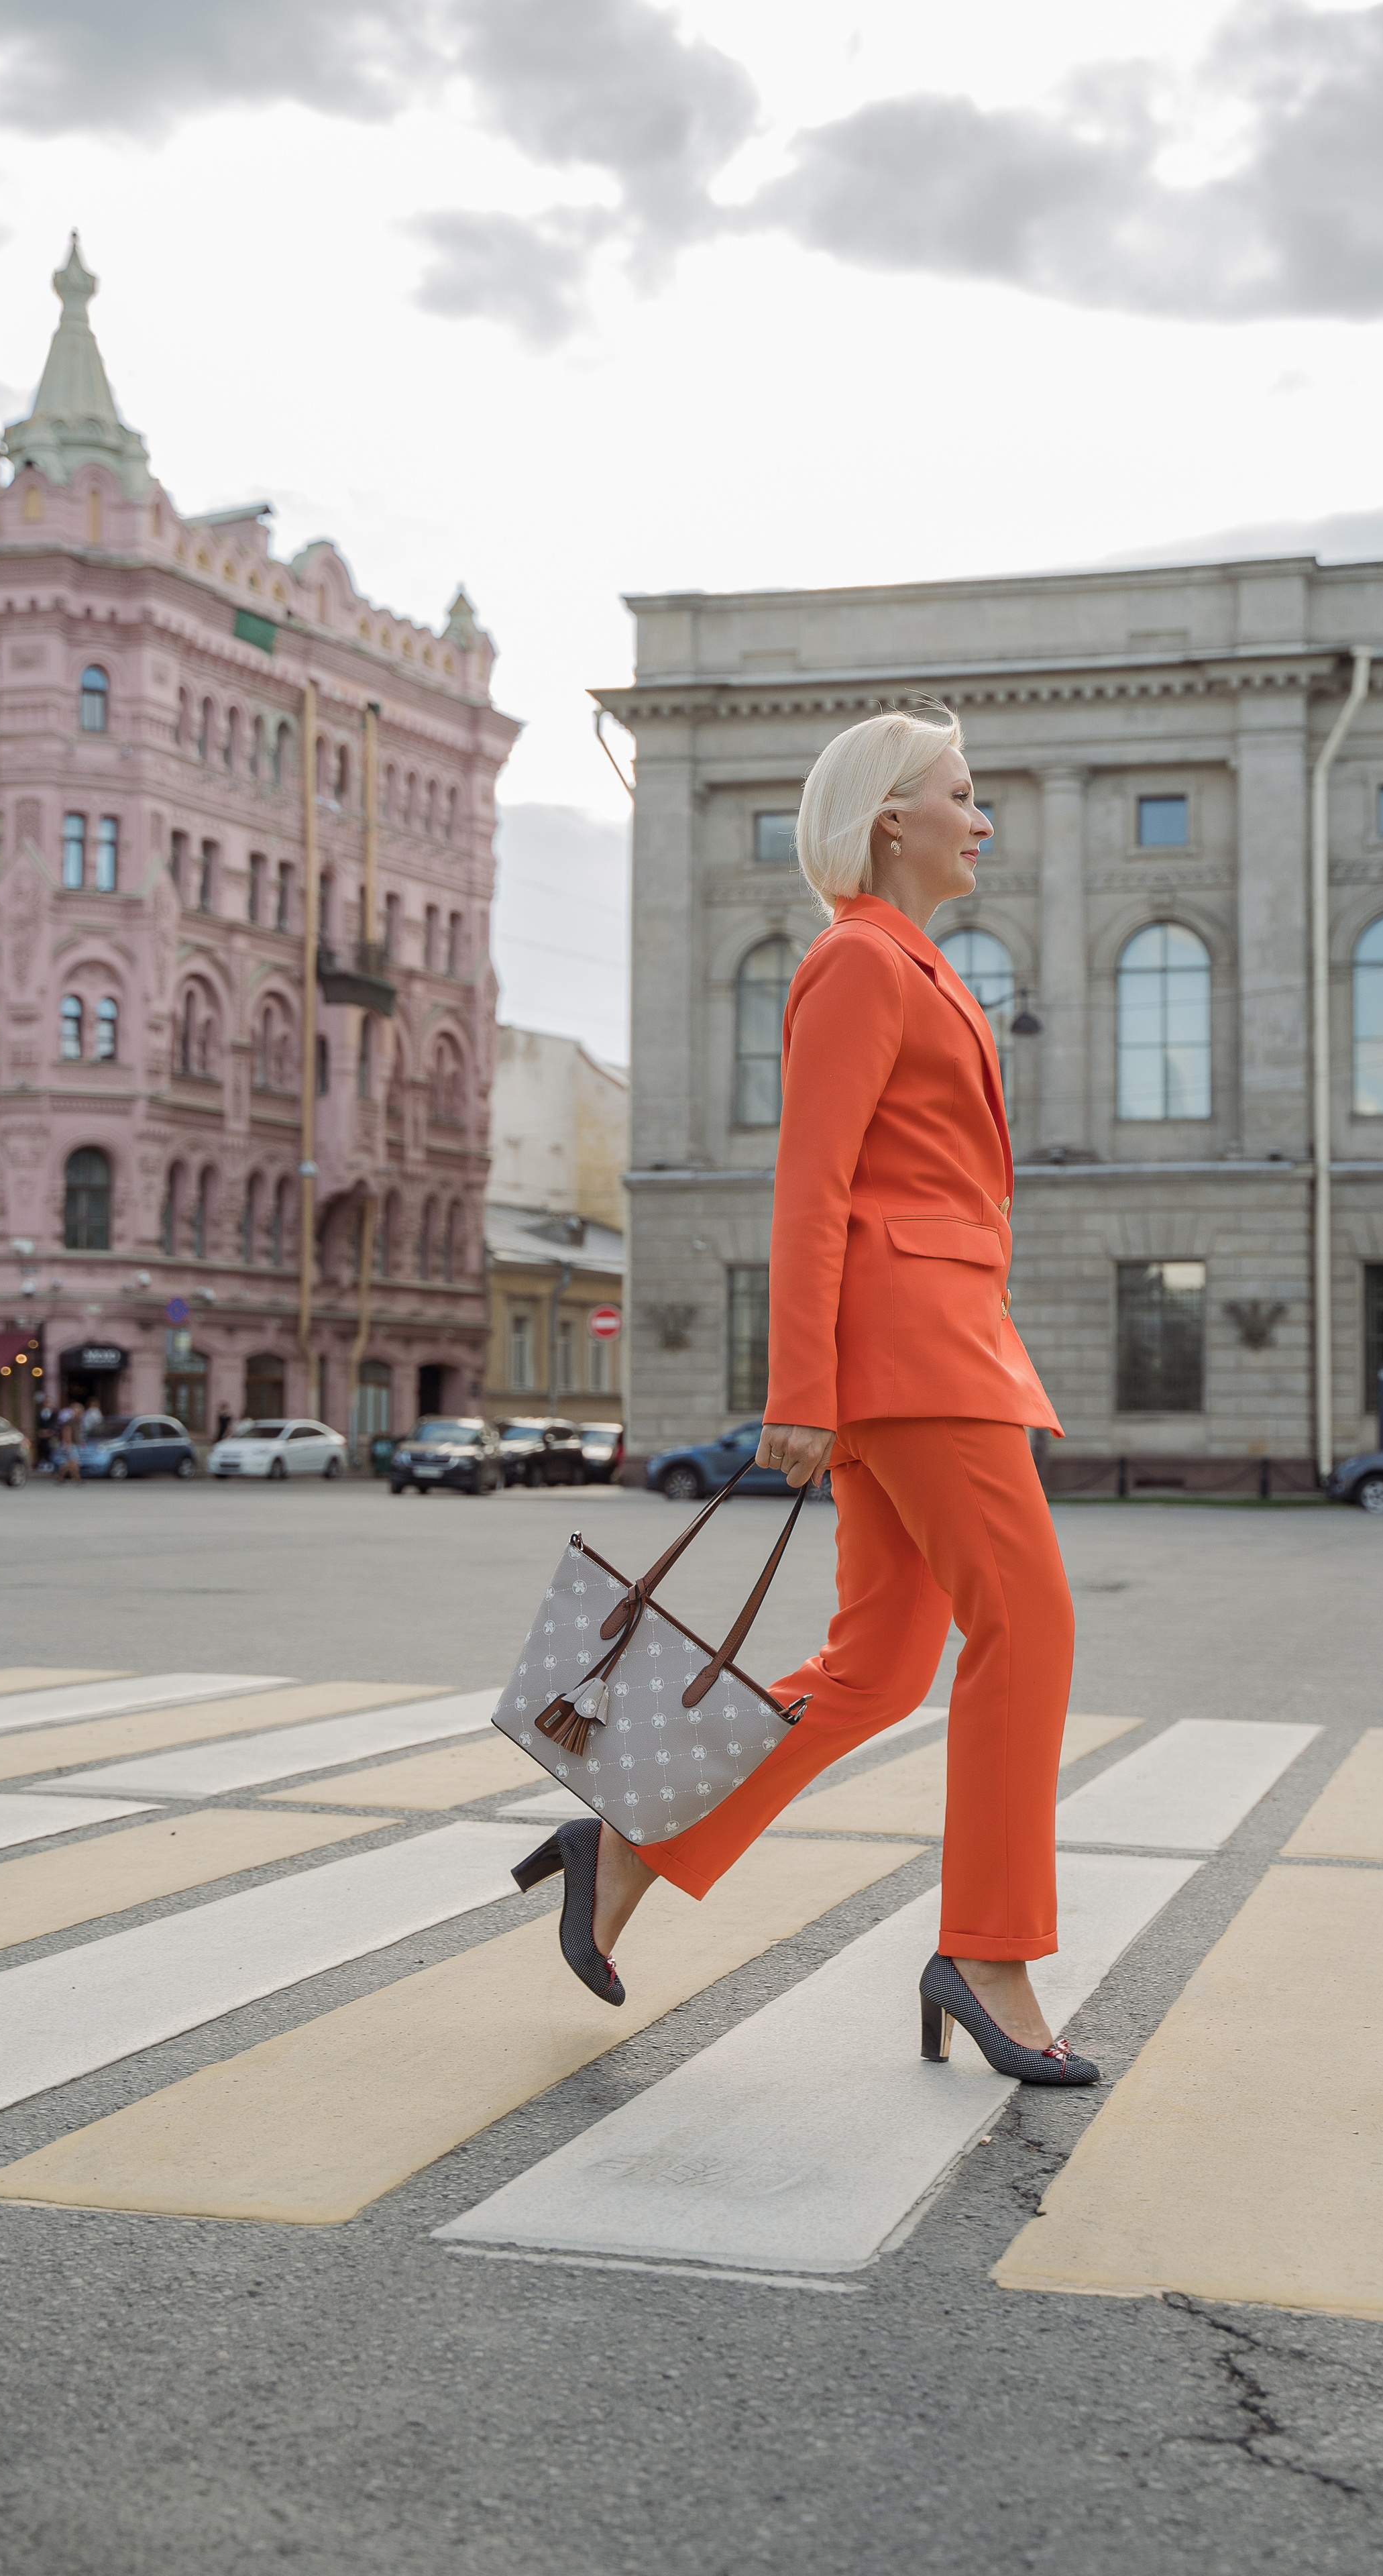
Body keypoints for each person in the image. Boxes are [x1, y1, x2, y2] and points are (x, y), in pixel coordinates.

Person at [513, 706, 1095, 2088]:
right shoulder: (853, 962)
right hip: (908, 1350)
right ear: (888, 817)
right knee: (1029, 1624)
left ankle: (632, 1848)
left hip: (942, 1332)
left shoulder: (918, 967)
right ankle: (989, 1946)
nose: (981, 815)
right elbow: (810, 1186)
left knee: (877, 1668)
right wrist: (800, 1388)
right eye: (961, 793)